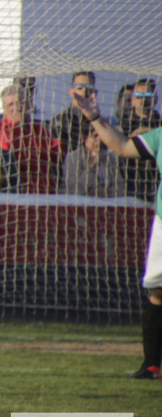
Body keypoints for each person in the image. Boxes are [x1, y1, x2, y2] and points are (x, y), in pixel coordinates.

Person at [68, 87, 162, 379]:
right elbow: (122, 146)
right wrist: (94, 116)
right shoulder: (159, 136)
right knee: (157, 290)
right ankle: (152, 365)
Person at [0, 84, 62, 194]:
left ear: (27, 104)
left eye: (20, 102)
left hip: (47, 193)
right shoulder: (2, 132)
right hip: (20, 196)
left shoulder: (38, 129)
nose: (16, 108)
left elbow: (58, 153)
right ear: (4, 108)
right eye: (11, 104)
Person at [118, 78, 162, 201]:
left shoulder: (159, 121)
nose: (143, 100)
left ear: (155, 99)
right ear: (132, 100)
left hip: (156, 180)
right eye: (138, 95)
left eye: (148, 95)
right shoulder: (123, 124)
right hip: (131, 181)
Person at [61, 127, 124, 197]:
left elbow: (121, 188)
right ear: (84, 138)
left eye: (102, 136)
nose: (99, 140)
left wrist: (105, 192)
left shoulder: (110, 158)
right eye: (95, 136)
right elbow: (74, 190)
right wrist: (92, 168)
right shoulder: (73, 158)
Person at [49, 71, 98, 155]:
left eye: (89, 87)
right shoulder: (60, 121)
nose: (84, 91)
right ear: (71, 92)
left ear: (95, 92)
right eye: (79, 87)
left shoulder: (98, 123)